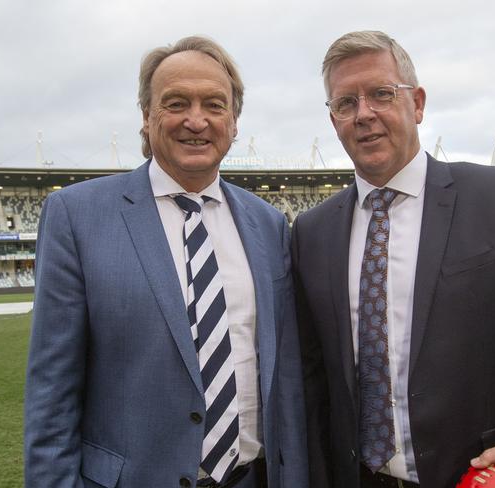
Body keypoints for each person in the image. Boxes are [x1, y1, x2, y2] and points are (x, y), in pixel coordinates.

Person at [291, 30, 495, 488]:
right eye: (345, 103)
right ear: (333, 119)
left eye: (381, 94)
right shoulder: (312, 231)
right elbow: (314, 377)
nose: (364, 114)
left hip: (481, 474)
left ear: (416, 103)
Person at [24, 36, 307, 488]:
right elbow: (51, 391)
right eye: (176, 103)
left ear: (234, 122)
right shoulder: (76, 215)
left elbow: (285, 376)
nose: (196, 120)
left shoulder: (268, 223)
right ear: (145, 117)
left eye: (214, 105)